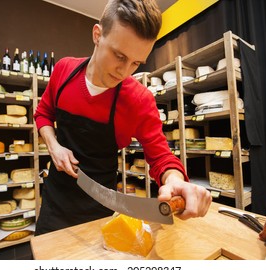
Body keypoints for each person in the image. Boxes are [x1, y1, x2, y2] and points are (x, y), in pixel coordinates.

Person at [33, 0, 212, 235]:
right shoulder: (65, 70)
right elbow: (43, 114)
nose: (124, 71)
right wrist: (54, 146)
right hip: (55, 202)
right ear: (97, 35)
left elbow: (161, 157)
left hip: (100, 208)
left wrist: (174, 180)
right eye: (119, 56)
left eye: (136, 63)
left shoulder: (138, 100)